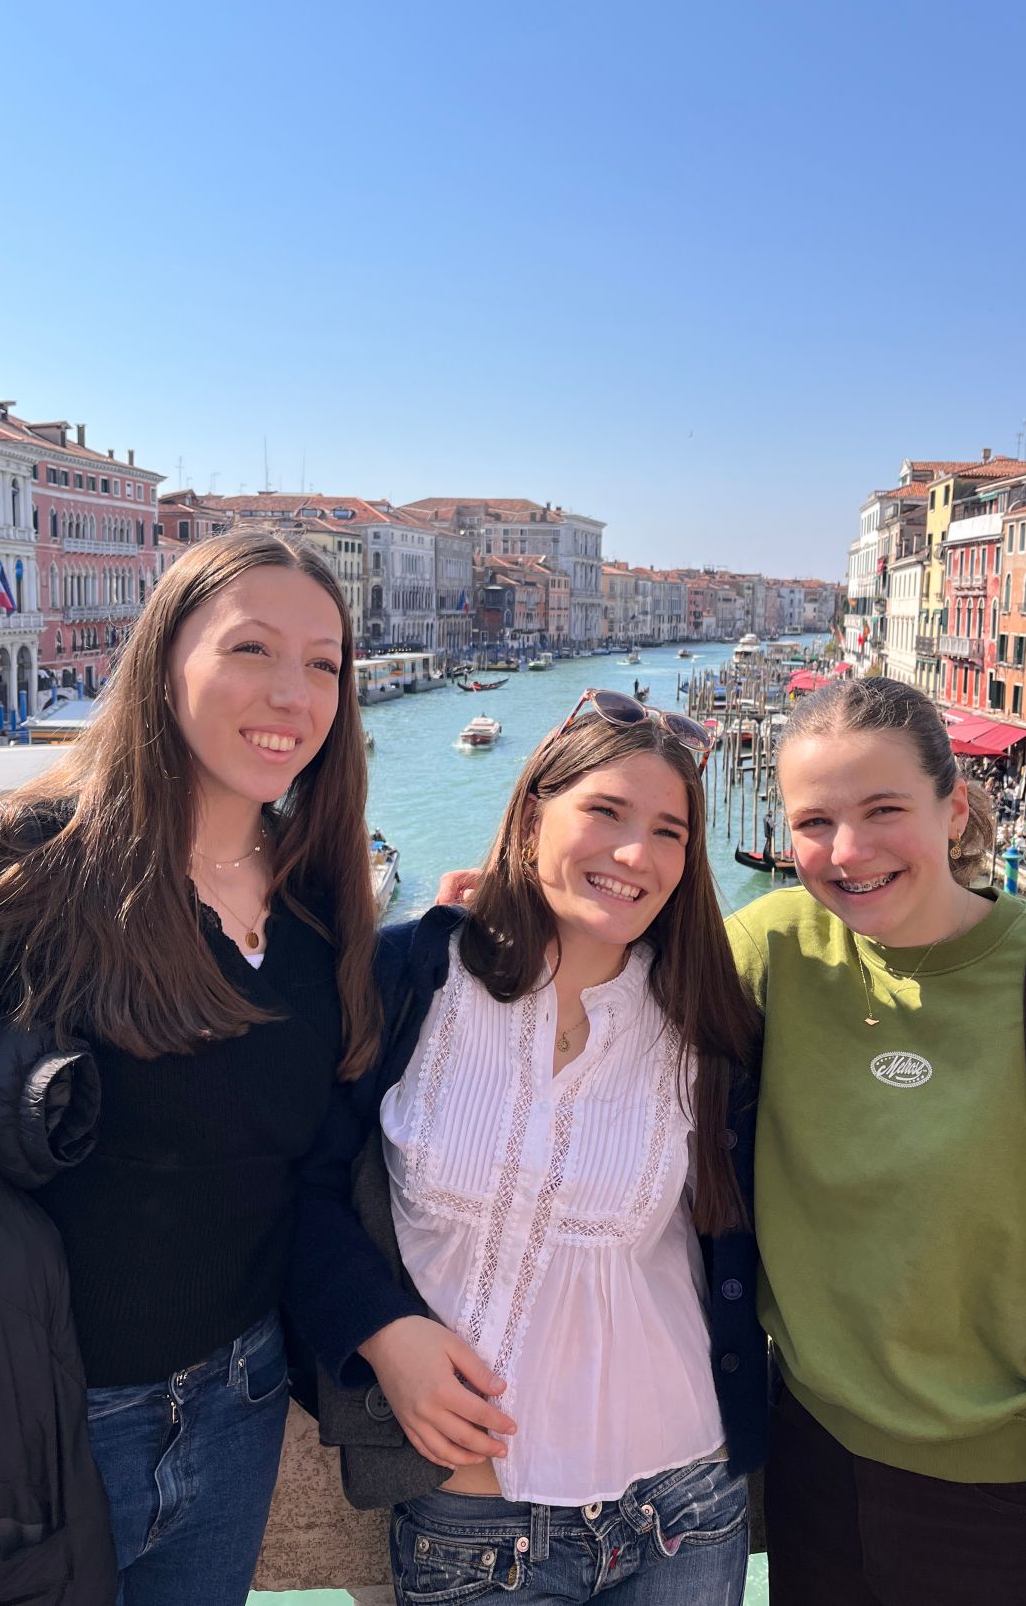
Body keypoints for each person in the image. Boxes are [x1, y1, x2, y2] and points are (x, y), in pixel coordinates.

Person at [0, 529, 378, 1605]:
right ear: (165, 658)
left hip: (242, 1402)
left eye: (323, 663)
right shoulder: (24, 865)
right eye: (252, 648)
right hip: (39, 1425)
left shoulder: (322, 901)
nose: (293, 692)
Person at [727, 677, 1026, 1606]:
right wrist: (488, 933)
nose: (849, 850)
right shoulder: (774, 947)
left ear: (954, 810)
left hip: (1019, 1506)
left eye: (884, 810)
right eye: (814, 822)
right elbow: (603, 1011)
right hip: (812, 1475)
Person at [290, 688, 763, 1605]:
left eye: (669, 831)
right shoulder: (405, 978)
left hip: (687, 1503)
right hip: (473, 1526)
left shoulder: (710, 1028)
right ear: (534, 813)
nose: (637, 854)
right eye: (606, 811)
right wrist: (380, 1331)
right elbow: (298, 1183)